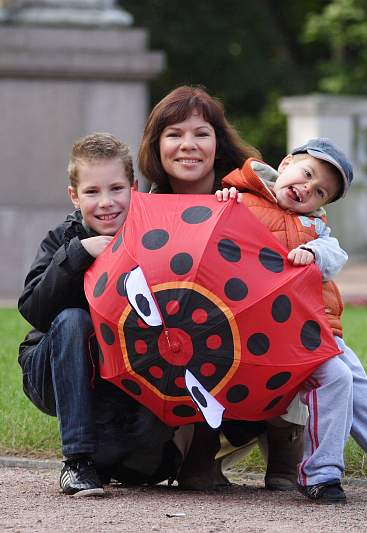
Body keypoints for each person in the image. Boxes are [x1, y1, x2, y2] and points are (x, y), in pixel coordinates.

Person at [216, 138, 367, 505]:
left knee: (365, 396)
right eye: (307, 174)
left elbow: (334, 254)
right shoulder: (239, 200)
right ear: (285, 165)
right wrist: (223, 201)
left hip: (317, 330)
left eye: (319, 192)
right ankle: (320, 473)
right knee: (336, 378)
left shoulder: (315, 228)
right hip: (269, 331)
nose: (307, 188)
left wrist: (312, 251)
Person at [136, 85, 319, 491]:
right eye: (174, 134)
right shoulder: (141, 212)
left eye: (201, 133)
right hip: (180, 357)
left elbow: (304, 253)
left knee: (284, 327)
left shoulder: (261, 197)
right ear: (156, 145)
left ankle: (285, 456)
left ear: (218, 144)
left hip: (253, 345)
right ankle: (199, 455)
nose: (188, 145)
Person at [17, 132, 135, 496]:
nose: (106, 203)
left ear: (134, 187)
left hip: (114, 374)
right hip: (49, 369)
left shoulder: (148, 236)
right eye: (92, 192)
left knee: (147, 468)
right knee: (72, 318)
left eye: (116, 189)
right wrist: (78, 253)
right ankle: (76, 461)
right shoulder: (63, 238)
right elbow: (34, 310)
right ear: (74, 196)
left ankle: (109, 453)